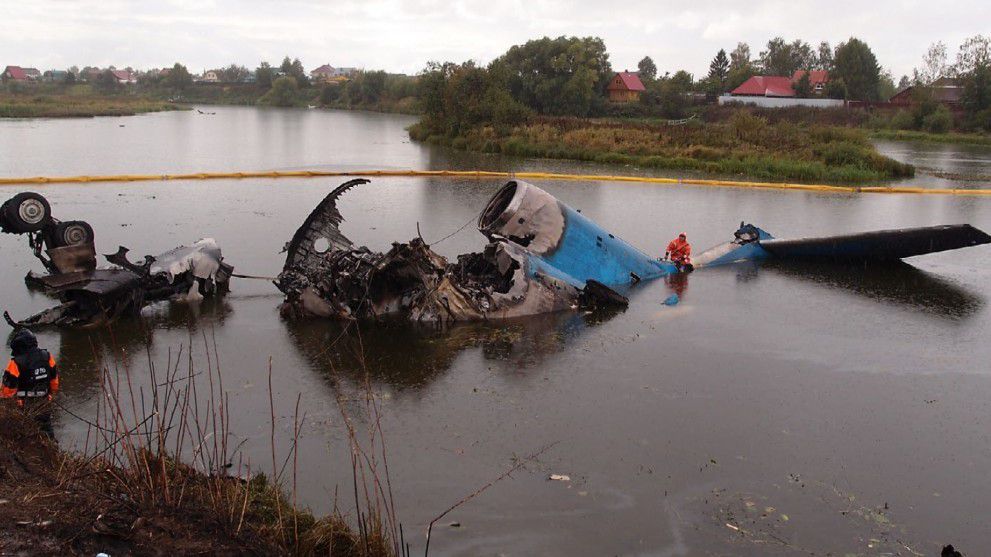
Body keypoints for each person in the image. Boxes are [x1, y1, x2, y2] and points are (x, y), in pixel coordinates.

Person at [2, 329, 59, 437]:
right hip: (44, 402)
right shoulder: (47, 356)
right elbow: (54, 380)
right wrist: (50, 395)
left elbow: (7, 390)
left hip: (23, 405)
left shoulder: (15, 363)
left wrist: (7, 407)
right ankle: (52, 449)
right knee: (46, 430)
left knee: (25, 433)